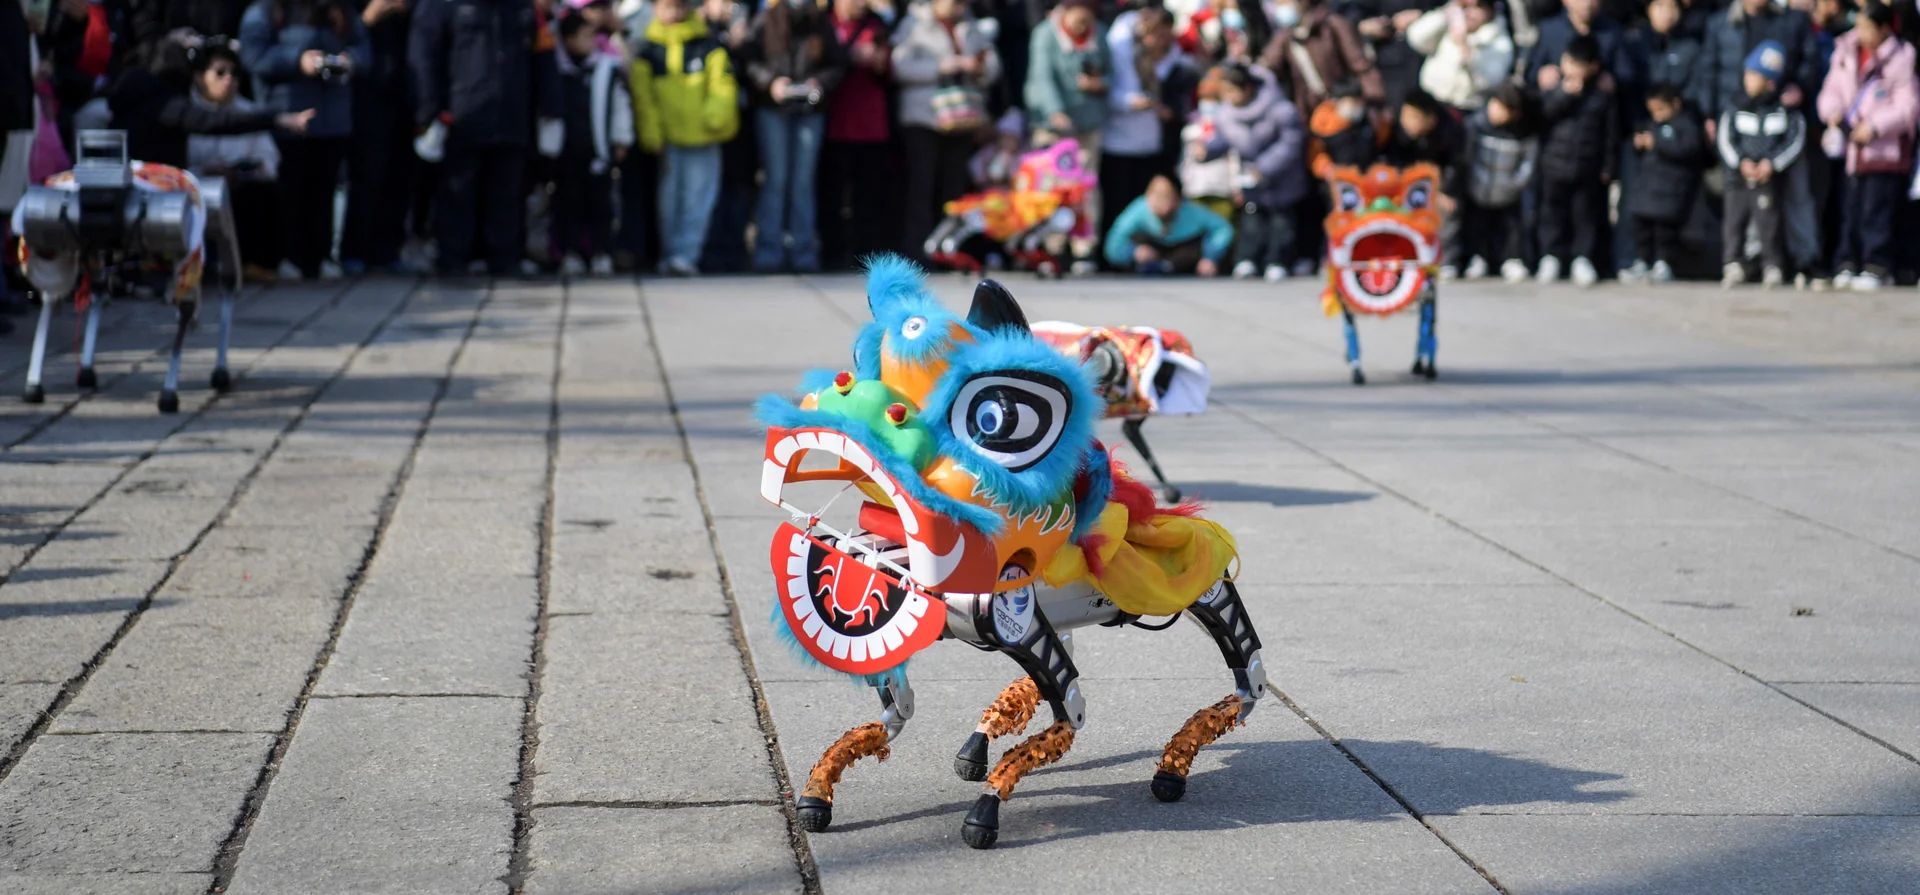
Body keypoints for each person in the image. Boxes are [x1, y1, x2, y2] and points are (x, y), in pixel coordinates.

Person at [410, 0, 562, 277]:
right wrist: (429, 108)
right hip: (462, 113)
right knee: (458, 191)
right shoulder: (445, 6)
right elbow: (425, 55)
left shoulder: (523, 8)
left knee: (507, 193)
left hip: (512, 114)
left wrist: (550, 109)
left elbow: (543, 57)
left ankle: (504, 258)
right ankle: (453, 258)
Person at [240, 0, 371, 280]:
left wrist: (349, 61)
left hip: (332, 121)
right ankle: (287, 256)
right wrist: (298, 60)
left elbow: (364, 50)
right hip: (286, 117)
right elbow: (252, 56)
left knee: (323, 195)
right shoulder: (267, 10)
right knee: (289, 194)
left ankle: (319, 256)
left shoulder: (341, 11)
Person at [1698, 0, 1824, 279]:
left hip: (1780, 120)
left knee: (1795, 197)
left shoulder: (1791, 20)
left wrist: (1797, 87)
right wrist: (1709, 112)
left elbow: (1808, 61)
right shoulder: (1720, 22)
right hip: (1739, 121)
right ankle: (1753, 259)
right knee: (1743, 201)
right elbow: (1709, 69)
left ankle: (1804, 258)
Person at [1816, 0, 1917, 292]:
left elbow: (1908, 106)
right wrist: (1832, 112)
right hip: (1849, 147)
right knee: (1849, 209)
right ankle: (1847, 261)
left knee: (1877, 210)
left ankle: (1877, 264)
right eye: (1858, 26)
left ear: (1884, 28)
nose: (1861, 33)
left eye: (1867, 28)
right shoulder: (1845, 50)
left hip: (1881, 148)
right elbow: (1831, 89)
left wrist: (1874, 127)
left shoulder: (1901, 57)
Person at [633, 0, 739, 276]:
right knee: (669, 202)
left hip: (703, 137)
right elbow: (643, 99)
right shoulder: (647, 50)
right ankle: (669, 253)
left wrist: (714, 119)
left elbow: (722, 87)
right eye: (667, 7)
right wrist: (652, 133)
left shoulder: (708, 45)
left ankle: (686, 255)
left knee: (698, 199)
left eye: (679, 7)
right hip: (668, 139)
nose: (674, 13)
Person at [740, 0, 845, 273]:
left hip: (810, 111)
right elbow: (748, 59)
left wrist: (818, 83)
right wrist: (770, 82)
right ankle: (768, 252)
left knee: (802, 183)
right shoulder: (767, 18)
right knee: (775, 180)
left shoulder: (819, 22)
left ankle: (803, 253)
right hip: (773, 110)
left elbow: (837, 64)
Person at [893, 0, 1001, 263]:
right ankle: (917, 251)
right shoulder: (915, 24)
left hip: (962, 116)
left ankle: (947, 249)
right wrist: (943, 66)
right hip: (924, 116)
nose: (958, 7)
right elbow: (899, 67)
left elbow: (994, 65)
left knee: (953, 190)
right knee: (922, 185)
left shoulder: (970, 26)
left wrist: (979, 67)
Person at [1200, 63, 1309, 281]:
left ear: (1248, 88)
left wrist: (1264, 168)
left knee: (1281, 222)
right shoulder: (1225, 114)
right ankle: (1247, 259)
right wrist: (1207, 150)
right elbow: (1223, 140)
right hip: (1250, 179)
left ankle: (1278, 260)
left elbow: (1291, 143)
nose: (1228, 96)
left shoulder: (1280, 109)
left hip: (1281, 177)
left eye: (1232, 91)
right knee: (1251, 220)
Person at [186, 43, 284, 283]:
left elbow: (270, 161)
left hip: (239, 190)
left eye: (233, 73)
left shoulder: (248, 112)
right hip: (197, 188)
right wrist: (206, 170)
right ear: (200, 77)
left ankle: (255, 263)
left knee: (266, 193)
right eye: (220, 73)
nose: (228, 80)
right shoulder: (185, 111)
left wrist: (245, 170)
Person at [1101, 7, 1197, 249]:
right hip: (1119, 141)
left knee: (1147, 203)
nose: (1161, 41)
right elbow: (1108, 92)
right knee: (1117, 202)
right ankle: (1113, 255)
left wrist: (1168, 109)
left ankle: (1146, 252)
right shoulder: (1123, 52)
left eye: (1166, 35)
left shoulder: (1174, 60)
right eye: (1156, 35)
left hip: (1153, 143)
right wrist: (1131, 102)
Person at [1716, 40, 1806, 288]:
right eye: (1748, 73)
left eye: (1755, 75)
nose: (1748, 79)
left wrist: (1772, 164)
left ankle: (1772, 265)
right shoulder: (1735, 104)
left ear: (1770, 81)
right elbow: (1726, 138)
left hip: (1767, 177)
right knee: (1735, 222)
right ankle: (1733, 263)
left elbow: (1794, 139)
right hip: (1738, 177)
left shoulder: (1783, 109)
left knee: (1769, 223)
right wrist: (1740, 162)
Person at [552, 13, 634, 276]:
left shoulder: (607, 67)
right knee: (569, 203)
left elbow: (621, 106)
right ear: (568, 40)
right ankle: (572, 252)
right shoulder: (558, 69)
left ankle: (601, 252)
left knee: (601, 205)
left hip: (598, 149)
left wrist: (622, 138)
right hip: (566, 151)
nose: (593, 41)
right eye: (586, 36)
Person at [342, 0, 419, 277]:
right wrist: (368, 18)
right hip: (367, 96)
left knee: (400, 175)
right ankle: (355, 251)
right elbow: (342, 38)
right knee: (367, 174)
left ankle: (388, 251)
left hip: (405, 92)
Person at [1535, 34, 1616, 286]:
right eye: (1571, 62)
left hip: (1587, 165)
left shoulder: (1603, 95)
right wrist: (1564, 94)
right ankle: (1551, 256)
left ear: (1593, 67)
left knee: (1585, 215)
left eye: (1581, 64)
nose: (1575, 69)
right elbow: (1543, 116)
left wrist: (1608, 166)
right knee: (1552, 214)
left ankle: (1583, 257)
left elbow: (1610, 134)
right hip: (1554, 163)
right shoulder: (1553, 88)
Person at [818, 0, 892, 270]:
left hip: (871, 126)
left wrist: (880, 61)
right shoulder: (823, 23)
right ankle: (833, 255)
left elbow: (889, 71)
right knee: (832, 197)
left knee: (868, 199)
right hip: (835, 123)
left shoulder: (877, 25)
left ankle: (865, 259)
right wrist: (845, 57)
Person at [1621, 82, 1707, 284]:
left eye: (1661, 109)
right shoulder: (1651, 124)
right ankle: (1642, 262)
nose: (1657, 114)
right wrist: (1639, 145)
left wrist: (1657, 143)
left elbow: (1689, 149)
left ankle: (1663, 264)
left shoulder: (1687, 125)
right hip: (1647, 189)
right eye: (1653, 110)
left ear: (1675, 104)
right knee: (1642, 229)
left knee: (1664, 233)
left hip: (1671, 191)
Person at [1452, 83, 1537, 281]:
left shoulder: (1522, 132)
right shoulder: (1474, 125)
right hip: (1479, 188)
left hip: (1508, 189)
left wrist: (1515, 184)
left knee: (1510, 228)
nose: (1499, 114)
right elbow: (1466, 159)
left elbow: (1528, 163)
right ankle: (1477, 258)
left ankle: (1511, 260)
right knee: (1476, 225)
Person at [1260, 0, 1386, 115]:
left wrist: (1375, 104)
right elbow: (1269, 64)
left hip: (1346, 102)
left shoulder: (1332, 24)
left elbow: (1361, 65)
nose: (1280, 7)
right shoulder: (1286, 35)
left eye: (1284, 2)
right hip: (1314, 109)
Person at [1102, 174, 1236, 275]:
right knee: (1136, 239)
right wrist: (1132, 252)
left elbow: (1223, 228)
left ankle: (1167, 266)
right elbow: (1114, 242)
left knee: (1197, 245)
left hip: (1182, 254)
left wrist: (1211, 256)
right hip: (1150, 253)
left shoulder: (1191, 211)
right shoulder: (1139, 209)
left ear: (1177, 202)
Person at [1405, 0, 1514, 112]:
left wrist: (1465, 49)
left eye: (1478, 7)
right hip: (1432, 102)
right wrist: (1445, 13)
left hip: (1467, 109)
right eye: (1464, 6)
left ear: (1491, 11)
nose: (1469, 12)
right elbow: (1416, 39)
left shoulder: (1499, 42)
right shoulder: (1449, 24)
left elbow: (1490, 81)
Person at [1339, 0, 1435, 107]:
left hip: (1430, 57)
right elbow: (1350, 13)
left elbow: (1448, 7)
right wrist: (1364, 25)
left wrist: (1423, 14)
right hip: (1391, 60)